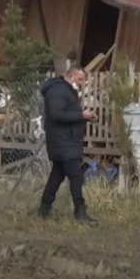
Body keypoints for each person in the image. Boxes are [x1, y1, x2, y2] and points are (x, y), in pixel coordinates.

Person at [37, 65, 98, 224]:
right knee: (76, 176)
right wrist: (81, 115)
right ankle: (80, 212)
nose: (81, 83)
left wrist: (84, 117)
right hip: (63, 141)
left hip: (66, 141)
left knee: (57, 175)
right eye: (79, 79)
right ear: (71, 77)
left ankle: (44, 209)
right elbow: (57, 114)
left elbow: (66, 113)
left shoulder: (65, 90)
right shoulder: (57, 91)